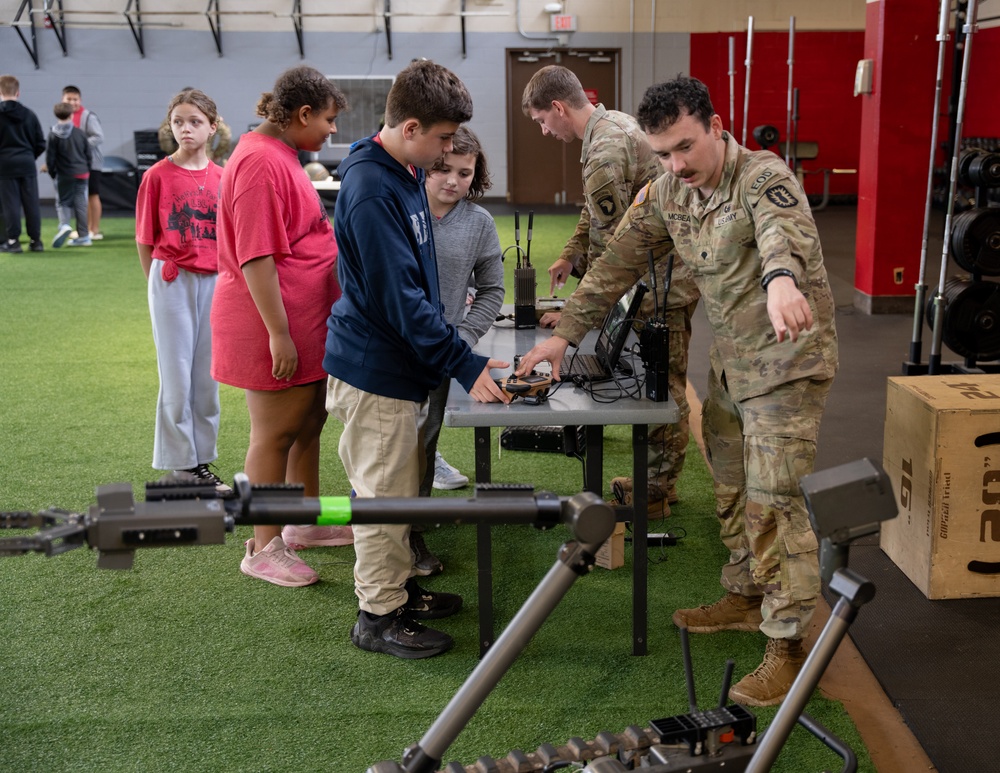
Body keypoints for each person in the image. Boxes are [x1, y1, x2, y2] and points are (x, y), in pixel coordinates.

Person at [516, 75, 838, 707]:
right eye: (663, 153)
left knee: (774, 501)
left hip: (787, 365)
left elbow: (782, 235)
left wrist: (780, 281)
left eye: (686, 147)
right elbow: (618, 262)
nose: (676, 164)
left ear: (716, 126)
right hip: (733, 362)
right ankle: (746, 595)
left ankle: (788, 647)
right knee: (730, 485)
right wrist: (566, 335)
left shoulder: (762, 178)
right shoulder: (668, 191)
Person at [325, 59, 509, 659]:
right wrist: (465, 362)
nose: (450, 151)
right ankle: (378, 618)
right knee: (383, 499)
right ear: (409, 126)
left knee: (403, 489)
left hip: (400, 364)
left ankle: (397, 591)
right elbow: (400, 299)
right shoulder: (373, 187)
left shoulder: (402, 168)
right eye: (443, 139)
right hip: (377, 369)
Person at [521, 64, 700, 520]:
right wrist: (569, 252)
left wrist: (573, 319)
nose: (544, 131)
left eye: (542, 120)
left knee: (665, 381)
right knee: (658, 375)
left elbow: (619, 245)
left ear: (559, 108)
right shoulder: (613, 123)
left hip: (661, 285)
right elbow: (595, 212)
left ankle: (658, 490)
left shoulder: (602, 150)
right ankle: (657, 480)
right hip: (655, 276)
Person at [211, 66, 350, 587]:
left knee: (309, 419)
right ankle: (263, 544)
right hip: (273, 320)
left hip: (303, 315)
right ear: (303, 114)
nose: (332, 131)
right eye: (329, 120)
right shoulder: (257, 162)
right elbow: (255, 258)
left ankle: (304, 523)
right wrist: (279, 332)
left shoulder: (283, 155)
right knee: (274, 433)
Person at [411, 125, 505, 576]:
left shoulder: (478, 224)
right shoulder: (401, 210)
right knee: (386, 448)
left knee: (424, 445)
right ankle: (379, 531)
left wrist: (461, 342)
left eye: (464, 173)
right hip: (393, 350)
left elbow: (491, 291)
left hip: (443, 354)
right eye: (443, 169)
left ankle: (412, 533)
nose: (452, 180)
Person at [135, 88, 228, 491]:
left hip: (214, 281)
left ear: (212, 126)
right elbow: (144, 239)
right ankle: (181, 466)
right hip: (171, 279)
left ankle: (201, 461)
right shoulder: (156, 175)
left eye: (194, 121)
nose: (185, 129)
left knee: (208, 378)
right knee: (176, 377)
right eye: (178, 122)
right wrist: (157, 287)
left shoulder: (224, 177)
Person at [0, 75, 46, 254]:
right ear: (18, 92)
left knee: (10, 204)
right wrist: (28, 156)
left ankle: (13, 241)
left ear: (0, 92)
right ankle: (36, 241)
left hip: (4, 166)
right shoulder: (30, 114)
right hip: (27, 163)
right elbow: (40, 143)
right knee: (32, 203)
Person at [60, 85, 104, 241]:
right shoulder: (65, 117)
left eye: (75, 99)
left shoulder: (88, 116)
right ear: (63, 100)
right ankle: (85, 229)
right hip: (76, 165)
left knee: (92, 195)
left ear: (80, 100)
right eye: (69, 99)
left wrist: (79, 146)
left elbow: (98, 137)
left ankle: (95, 229)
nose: (72, 102)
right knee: (81, 197)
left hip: (91, 163)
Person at [46, 101, 91, 249]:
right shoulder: (80, 133)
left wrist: (53, 174)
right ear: (72, 115)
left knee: (63, 201)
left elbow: (50, 158)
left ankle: (64, 225)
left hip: (64, 174)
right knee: (80, 203)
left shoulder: (53, 134)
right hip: (82, 173)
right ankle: (84, 236)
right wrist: (87, 169)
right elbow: (88, 154)